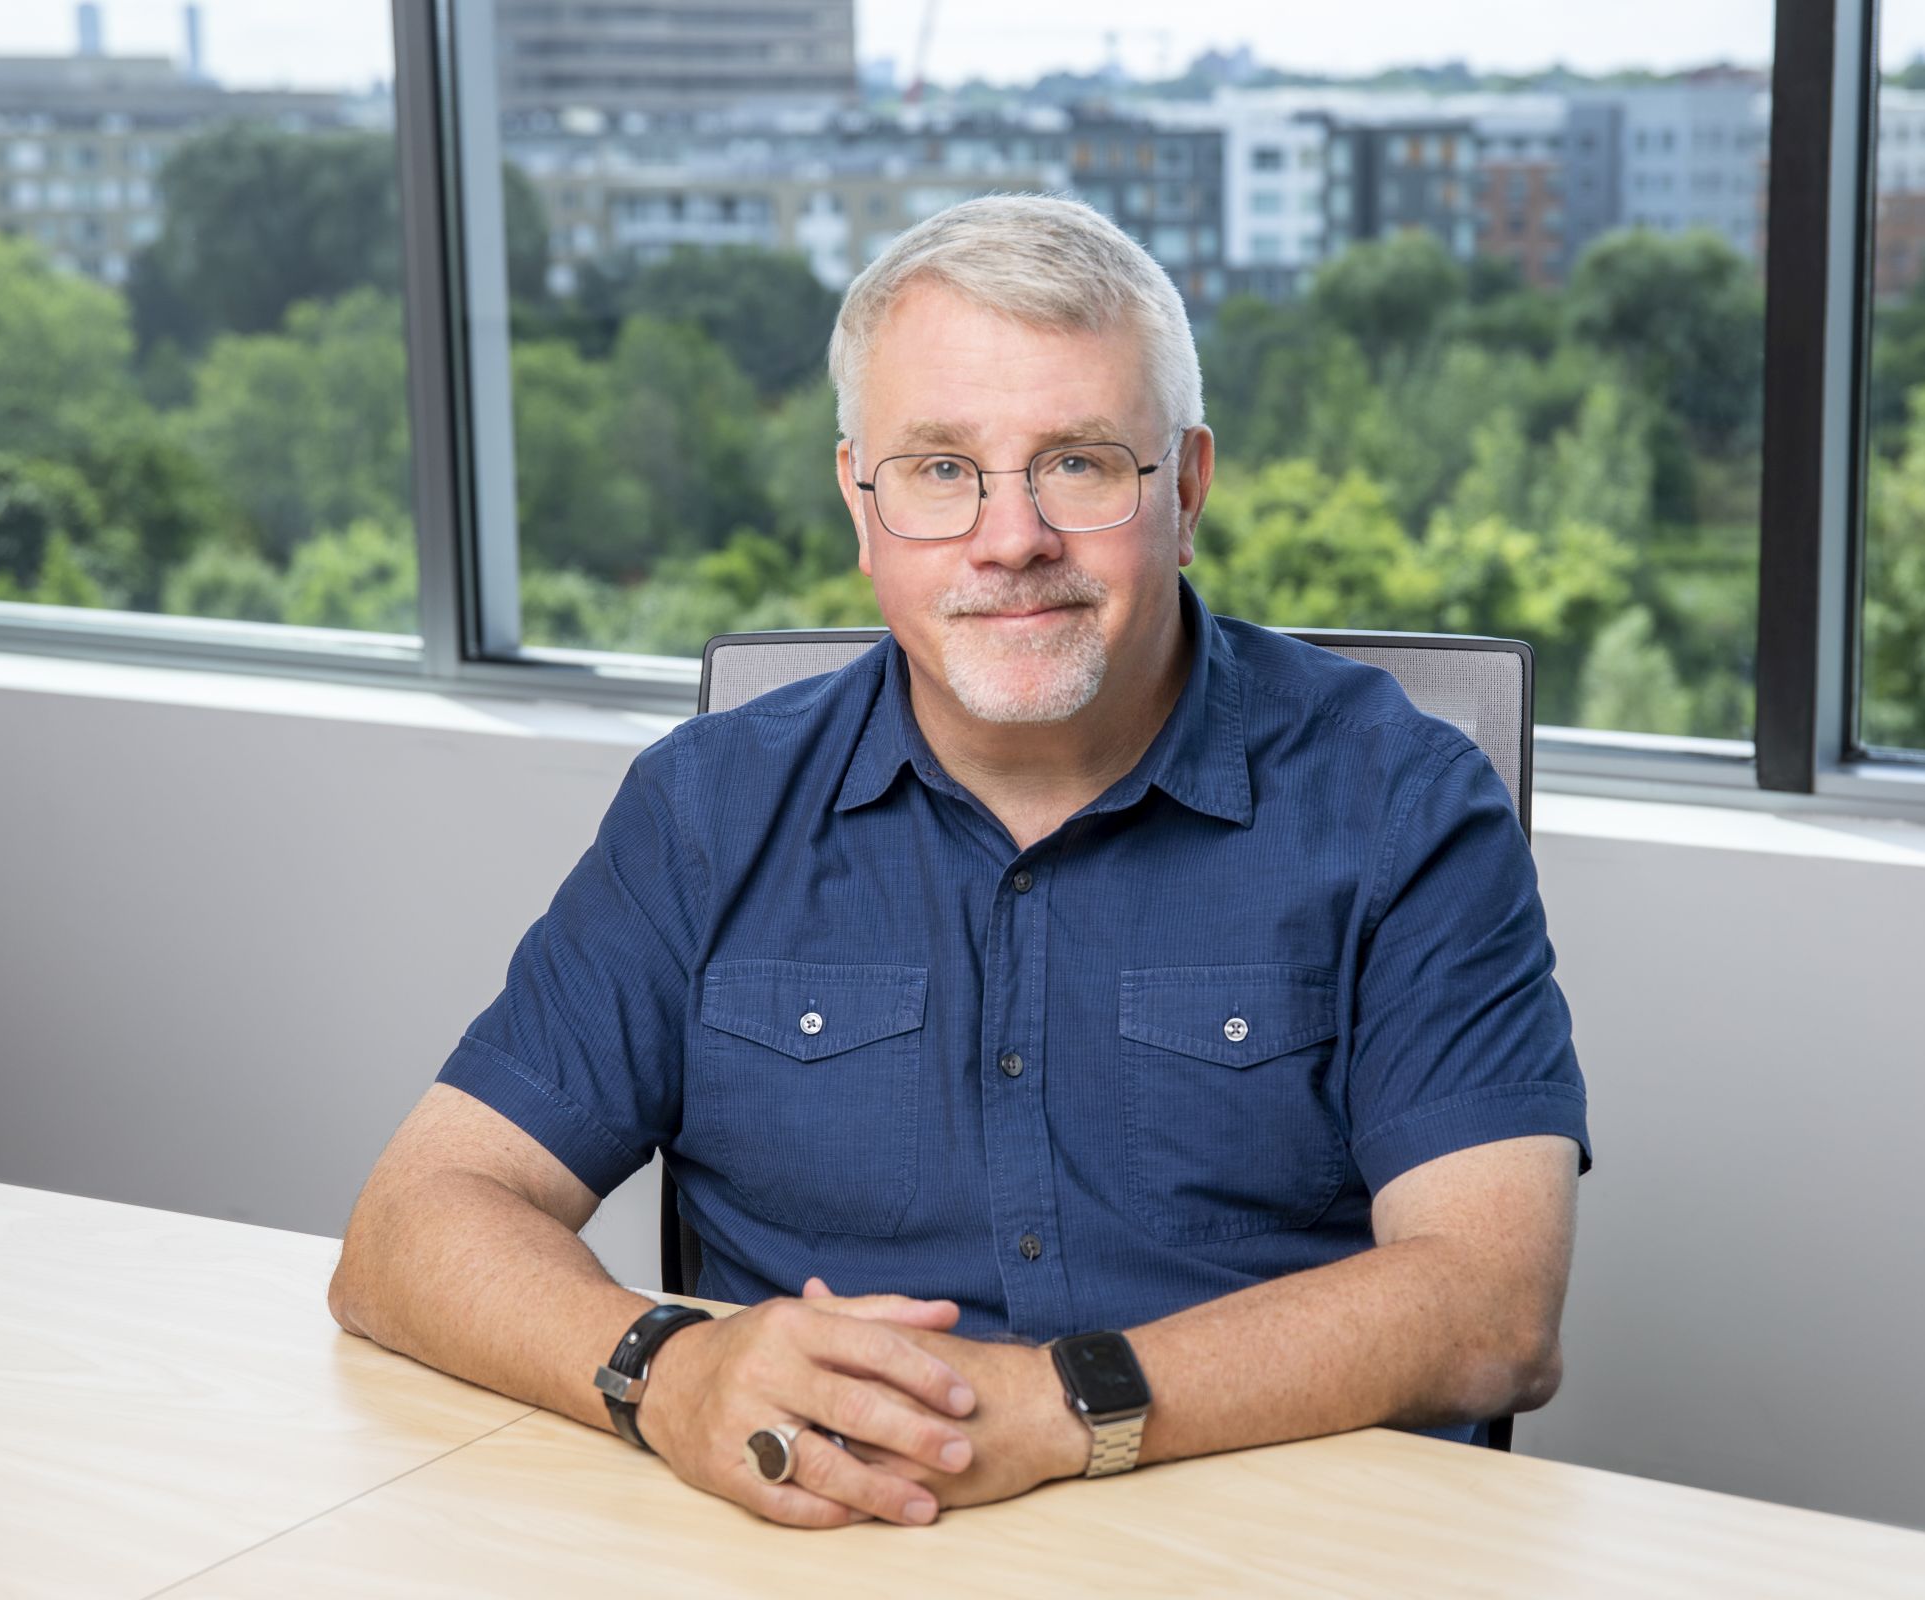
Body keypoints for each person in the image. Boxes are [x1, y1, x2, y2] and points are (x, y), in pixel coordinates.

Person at [328, 193, 1591, 1532]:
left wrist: (1052, 1410)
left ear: (1190, 487)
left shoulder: (1401, 800)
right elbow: (410, 1228)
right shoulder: (706, 809)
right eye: (940, 470)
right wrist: (670, 1367)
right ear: (859, 503)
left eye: (1081, 463)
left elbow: (1490, 1307)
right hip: (821, 1542)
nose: (1011, 539)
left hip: (1269, 1549)